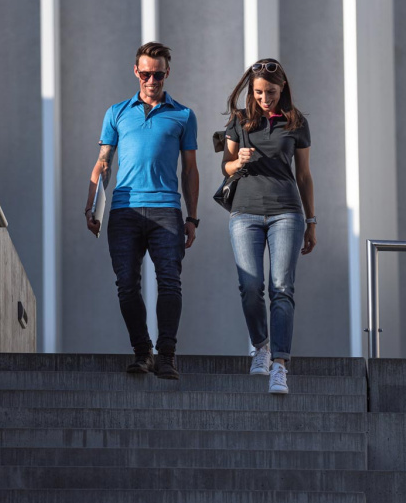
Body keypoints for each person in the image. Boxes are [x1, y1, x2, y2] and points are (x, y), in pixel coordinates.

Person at [85, 42, 199, 380]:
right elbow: (103, 162)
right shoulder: (117, 112)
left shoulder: (183, 115)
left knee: (169, 282)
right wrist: (92, 205)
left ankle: (166, 355)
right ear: (136, 72)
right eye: (146, 73)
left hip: (167, 209)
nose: (152, 80)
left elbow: (190, 170)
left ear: (167, 73)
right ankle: (142, 352)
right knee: (126, 285)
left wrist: (192, 217)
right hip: (124, 211)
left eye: (158, 74)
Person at [222, 58, 316, 394]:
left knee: (281, 287)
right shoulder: (240, 121)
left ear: (283, 89)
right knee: (250, 287)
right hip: (245, 212)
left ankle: (279, 365)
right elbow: (226, 167)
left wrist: (312, 220)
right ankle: (260, 347)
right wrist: (239, 162)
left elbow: (304, 175)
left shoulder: (296, 122)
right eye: (260, 92)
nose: (265, 98)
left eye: (271, 92)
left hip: (286, 212)